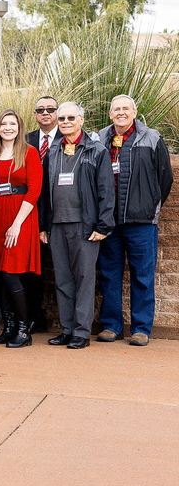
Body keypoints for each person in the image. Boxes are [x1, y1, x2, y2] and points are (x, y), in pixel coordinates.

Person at [96, 95, 172, 346]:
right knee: (109, 274)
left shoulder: (151, 137)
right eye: (116, 109)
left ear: (134, 112)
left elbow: (165, 178)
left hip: (141, 223)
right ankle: (111, 326)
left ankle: (141, 329)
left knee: (142, 275)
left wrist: (149, 205)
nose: (120, 112)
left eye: (125, 109)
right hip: (109, 222)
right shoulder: (100, 138)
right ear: (110, 114)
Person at [41, 102, 114, 350]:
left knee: (84, 278)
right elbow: (43, 193)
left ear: (81, 119)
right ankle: (67, 329)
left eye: (71, 117)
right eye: (61, 118)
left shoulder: (96, 151)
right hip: (56, 225)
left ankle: (81, 332)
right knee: (62, 279)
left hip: (85, 226)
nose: (65, 122)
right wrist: (43, 225)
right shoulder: (53, 151)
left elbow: (106, 191)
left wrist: (103, 225)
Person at [0, 110, 42, 348]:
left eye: (12, 124)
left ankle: (24, 330)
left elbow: (34, 190)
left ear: (19, 127)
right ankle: (9, 327)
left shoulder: (29, 153)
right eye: (4, 124)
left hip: (20, 216)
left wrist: (16, 224)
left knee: (11, 273)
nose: (8, 127)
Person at [23, 95, 61, 332]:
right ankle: (34, 316)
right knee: (32, 271)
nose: (45, 113)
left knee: (62, 270)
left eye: (50, 109)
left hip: (60, 213)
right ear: (35, 114)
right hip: (30, 213)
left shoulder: (67, 137)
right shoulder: (25, 140)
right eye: (40, 110)